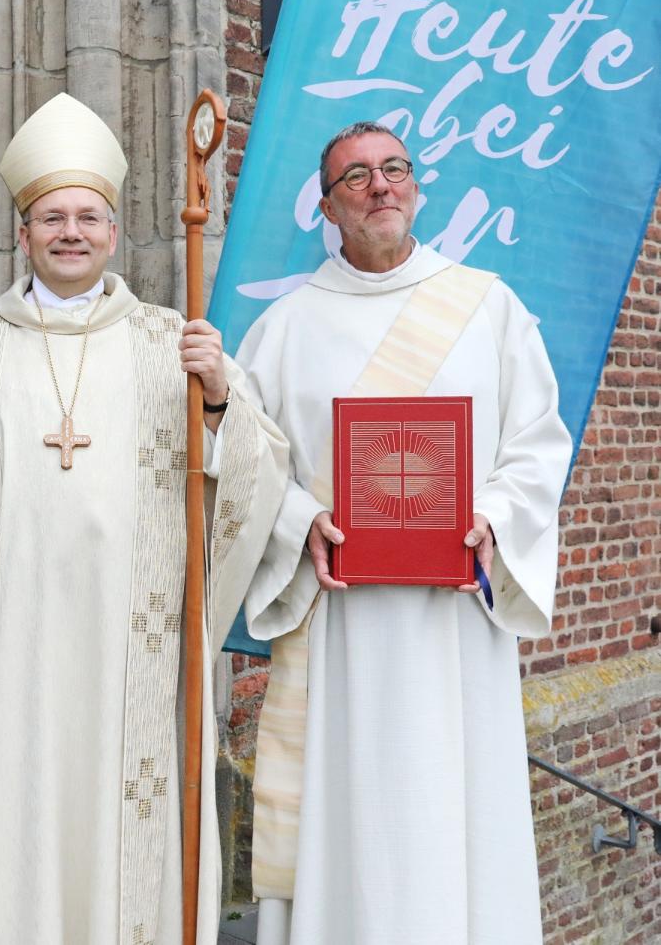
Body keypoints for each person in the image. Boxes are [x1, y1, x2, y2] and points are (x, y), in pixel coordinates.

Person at [0, 93, 289, 944]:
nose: (69, 232)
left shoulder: (169, 341)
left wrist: (217, 401)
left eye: (87, 217)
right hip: (10, 648)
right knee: (15, 812)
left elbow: (257, 474)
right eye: (50, 218)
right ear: (23, 233)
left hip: (126, 647)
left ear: (113, 233)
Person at [236, 121, 570, 945]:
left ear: (417, 187)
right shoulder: (286, 327)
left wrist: (492, 516)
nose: (380, 186)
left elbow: (537, 443)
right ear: (326, 205)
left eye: (395, 169)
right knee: (354, 814)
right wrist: (300, 520)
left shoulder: (487, 306)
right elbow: (245, 462)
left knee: (452, 806)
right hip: (340, 628)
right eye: (356, 177)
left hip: (453, 622)